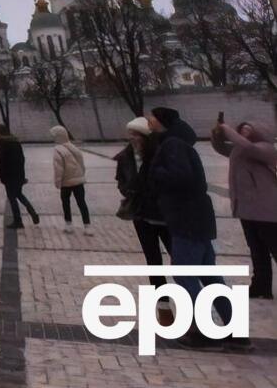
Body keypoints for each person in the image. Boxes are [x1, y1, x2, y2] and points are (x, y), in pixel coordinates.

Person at [147, 106, 237, 348]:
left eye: (152, 117)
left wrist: (154, 171)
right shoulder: (179, 142)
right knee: (210, 275)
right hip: (197, 217)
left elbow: (180, 177)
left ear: (161, 121)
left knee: (185, 275)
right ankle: (235, 330)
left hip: (186, 218)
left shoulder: (172, 144)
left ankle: (203, 330)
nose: (149, 121)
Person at [211, 119, 277, 300]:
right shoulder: (238, 150)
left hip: (266, 210)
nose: (244, 130)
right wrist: (217, 134)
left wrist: (227, 129)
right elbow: (219, 147)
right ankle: (261, 286)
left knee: (274, 247)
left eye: (248, 127)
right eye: (242, 128)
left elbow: (249, 148)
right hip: (246, 209)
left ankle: (261, 285)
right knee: (257, 250)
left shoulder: (266, 148)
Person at [116, 117, 171, 265]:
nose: (132, 138)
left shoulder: (159, 156)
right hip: (140, 213)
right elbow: (120, 179)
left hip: (163, 214)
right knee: (152, 259)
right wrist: (128, 191)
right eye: (130, 134)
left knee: (176, 255)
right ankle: (158, 288)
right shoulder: (125, 157)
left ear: (146, 137)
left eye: (136, 134)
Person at [0, 124, 38, 229]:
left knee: (12, 198)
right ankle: (32, 212)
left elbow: (3, 162)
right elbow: (22, 159)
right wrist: (22, 176)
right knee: (19, 194)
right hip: (18, 174)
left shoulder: (2, 143)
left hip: (9, 176)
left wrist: (2, 176)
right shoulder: (15, 141)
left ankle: (18, 221)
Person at [50, 126, 91, 234]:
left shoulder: (58, 150)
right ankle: (87, 226)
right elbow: (82, 164)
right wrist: (81, 175)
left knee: (66, 203)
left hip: (66, 182)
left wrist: (57, 182)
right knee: (82, 203)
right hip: (78, 181)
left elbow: (58, 168)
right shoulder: (74, 147)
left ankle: (69, 225)